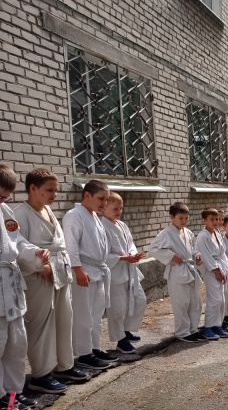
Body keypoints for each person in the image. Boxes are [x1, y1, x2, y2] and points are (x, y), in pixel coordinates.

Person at [16, 168, 87, 395]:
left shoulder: (47, 210)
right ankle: (41, 375)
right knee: (42, 325)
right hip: (38, 278)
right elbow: (16, 250)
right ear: (33, 188)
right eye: (49, 190)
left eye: (56, 190)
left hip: (60, 272)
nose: (54, 195)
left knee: (63, 320)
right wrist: (39, 267)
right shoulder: (20, 214)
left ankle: (63, 366)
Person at [0, 164, 50, 410]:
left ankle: (12, 391)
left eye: (6, 195)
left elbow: (17, 241)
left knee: (16, 344)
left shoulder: (5, 211)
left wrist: (35, 252)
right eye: (0, 195)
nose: (4, 200)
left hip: (10, 287)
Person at [63, 179, 118, 370]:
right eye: (101, 198)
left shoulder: (94, 216)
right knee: (83, 316)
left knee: (96, 315)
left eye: (107, 199)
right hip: (83, 270)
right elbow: (71, 245)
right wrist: (77, 268)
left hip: (98, 270)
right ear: (87, 195)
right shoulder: (74, 215)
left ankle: (94, 348)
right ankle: (84, 353)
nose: (104, 203)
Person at [148, 202, 205, 343]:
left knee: (195, 302)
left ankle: (193, 329)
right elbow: (153, 249)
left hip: (190, 269)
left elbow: (192, 249)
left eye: (186, 218)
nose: (184, 221)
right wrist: (171, 256)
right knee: (181, 303)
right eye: (181, 218)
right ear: (171, 217)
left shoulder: (188, 232)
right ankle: (182, 332)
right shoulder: (166, 233)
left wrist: (197, 255)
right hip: (177, 272)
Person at [101, 192, 146, 354]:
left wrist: (134, 255)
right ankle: (120, 340)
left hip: (130, 269)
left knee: (139, 300)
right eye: (115, 208)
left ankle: (127, 330)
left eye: (120, 208)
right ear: (104, 208)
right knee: (118, 308)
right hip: (115, 272)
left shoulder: (122, 225)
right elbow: (103, 255)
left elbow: (131, 244)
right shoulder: (102, 226)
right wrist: (124, 258)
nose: (119, 211)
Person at [195, 208, 228, 340]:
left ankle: (217, 325)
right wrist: (217, 271)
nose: (215, 222)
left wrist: (224, 269)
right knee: (214, 299)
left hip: (221, 267)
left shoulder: (216, 232)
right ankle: (207, 327)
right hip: (212, 270)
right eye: (212, 219)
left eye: (217, 219)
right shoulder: (202, 236)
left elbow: (222, 252)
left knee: (221, 299)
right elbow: (206, 256)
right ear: (204, 221)